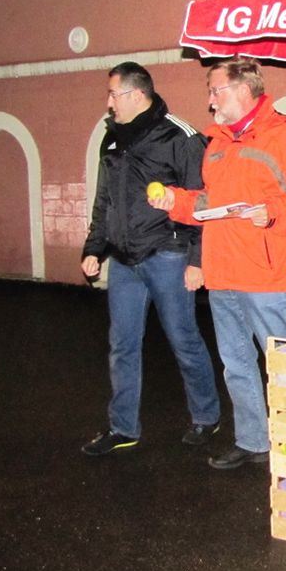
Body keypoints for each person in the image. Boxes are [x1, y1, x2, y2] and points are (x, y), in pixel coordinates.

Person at [151, 57, 286, 470]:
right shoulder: (216, 144)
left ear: (244, 91)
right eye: (211, 92)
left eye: (216, 91)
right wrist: (174, 200)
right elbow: (209, 203)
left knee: (284, 364)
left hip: (266, 272)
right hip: (223, 271)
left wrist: (273, 211)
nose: (211, 101)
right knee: (236, 364)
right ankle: (253, 441)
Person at [80, 62, 221, 456]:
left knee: (183, 339)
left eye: (114, 95)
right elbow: (104, 201)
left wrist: (197, 260)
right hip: (124, 260)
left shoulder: (179, 136)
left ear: (137, 95)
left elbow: (203, 201)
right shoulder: (112, 139)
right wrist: (94, 248)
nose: (109, 103)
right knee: (122, 345)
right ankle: (122, 427)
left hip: (168, 254)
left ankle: (206, 416)